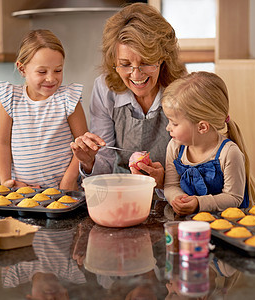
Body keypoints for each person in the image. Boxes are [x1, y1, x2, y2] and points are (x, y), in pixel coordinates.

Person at [70, 3, 187, 189]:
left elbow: (199, 164)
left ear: (162, 57)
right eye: (125, 64)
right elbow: (104, 164)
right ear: (113, 61)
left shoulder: (184, 90)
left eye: (146, 62)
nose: (136, 75)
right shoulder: (105, 89)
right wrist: (89, 162)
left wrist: (166, 181)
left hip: (176, 196)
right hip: (123, 192)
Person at [0, 29, 88, 190]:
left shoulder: (68, 99)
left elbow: (83, 145)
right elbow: (2, 144)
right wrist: (7, 183)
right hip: (22, 192)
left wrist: (67, 181)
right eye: (42, 71)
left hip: (64, 192)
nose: (51, 78)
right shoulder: (10, 98)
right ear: (22, 69)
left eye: (58, 70)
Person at [162, 71, 255, 215]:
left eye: (174, 123)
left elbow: (234, 198)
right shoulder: (175, 147)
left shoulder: (229, 153)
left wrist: (199, 203)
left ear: (202, 127)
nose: (168, 127)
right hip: (189, 225)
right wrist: (176, 198)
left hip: (227, 227)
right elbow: (170, 185)